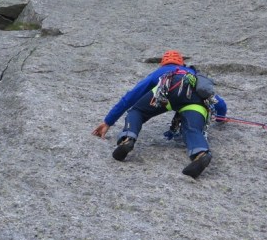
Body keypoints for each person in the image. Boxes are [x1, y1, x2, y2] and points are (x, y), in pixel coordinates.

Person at [92, 50, 227, 179]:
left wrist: (108, 121)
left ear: (162, 64)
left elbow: (131, 96)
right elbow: (217, 101)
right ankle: (201, 153)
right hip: (194, 100)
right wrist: (221, 118)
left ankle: (128, 138)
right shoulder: (194, 75)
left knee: (137, 112)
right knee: (192, 129)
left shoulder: (160, 72)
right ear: (182, 63)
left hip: (166, 92)